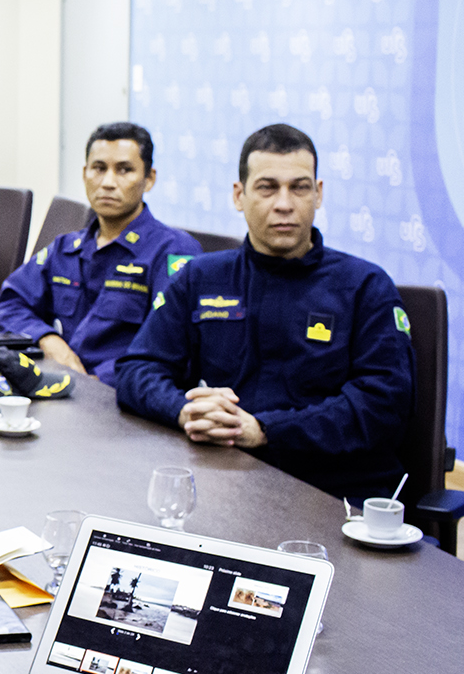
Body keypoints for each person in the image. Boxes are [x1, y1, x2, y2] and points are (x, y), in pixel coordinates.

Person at [114, 124, 414, 500]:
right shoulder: (202, 278)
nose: (284, 204)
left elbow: (383, 404)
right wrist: (183, 410)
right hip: (218, 483)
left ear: (318, 195)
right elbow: (136, 370)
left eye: (299, 187)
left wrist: (265, 430)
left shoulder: (365, 287)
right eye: (267, 187)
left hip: (329, 493)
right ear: (239, 196)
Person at [0, 122, 201, 385]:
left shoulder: (172, 252)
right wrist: (48, 341)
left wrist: (89, 383)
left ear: (149, 179)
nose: (108, 183)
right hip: (58, 388)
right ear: (85, 174)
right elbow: (7, 306)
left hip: (123, 399)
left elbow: (172, 347)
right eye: (99, 169)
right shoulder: (66, 248)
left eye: (124, 170)